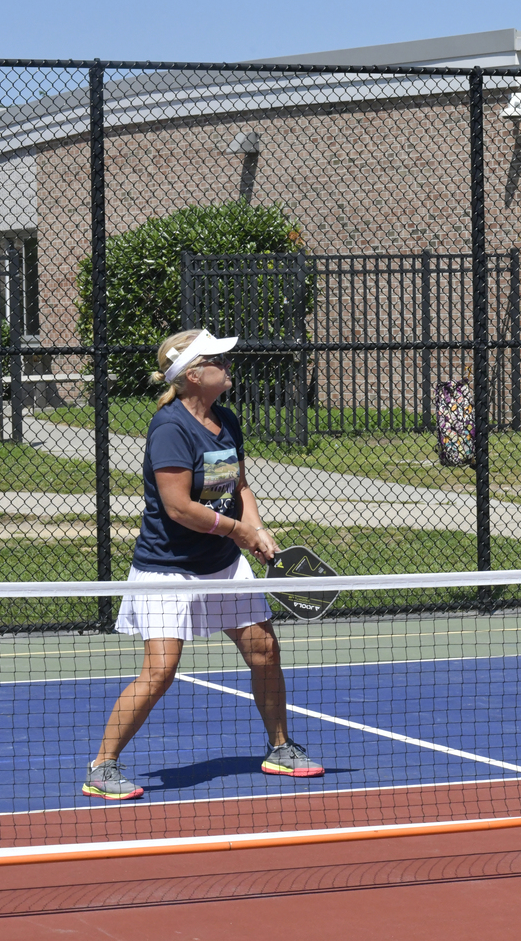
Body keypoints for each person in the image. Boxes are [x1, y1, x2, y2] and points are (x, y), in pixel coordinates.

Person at [82, 329, 324, 801]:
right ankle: (102, 766)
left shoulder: (226, 420)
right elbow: (178, 508)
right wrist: (239, 531)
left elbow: (240, 485)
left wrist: (257, 529)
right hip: (168, 568)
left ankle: (280, 747)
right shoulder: (170, 428)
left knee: (265, 652)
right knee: (161, 670)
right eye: (217, 360)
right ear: (193, 375)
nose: (227, 366)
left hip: (222, 563)